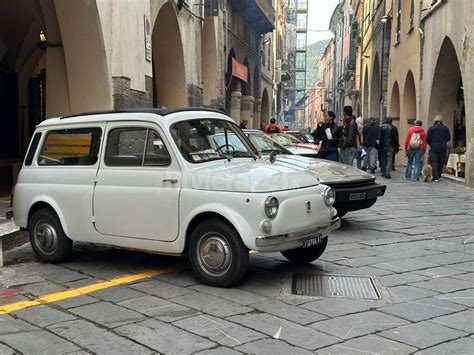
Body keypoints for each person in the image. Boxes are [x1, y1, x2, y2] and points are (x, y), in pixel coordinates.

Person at [426, 115, 451, 182]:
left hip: (434, 147)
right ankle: (439, 175)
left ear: (435, 121)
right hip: (443, 147)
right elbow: (448, 138)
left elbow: (427, 138)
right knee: (441, 161)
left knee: (434, 162)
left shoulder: (431, 128)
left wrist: (431, 144)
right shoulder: (445, 128)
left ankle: (435, 177)